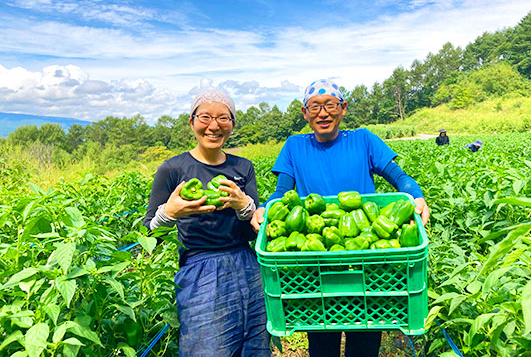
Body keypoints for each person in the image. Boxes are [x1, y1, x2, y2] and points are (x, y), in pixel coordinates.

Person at [251, 79, 430, 357]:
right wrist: (265, 208)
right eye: (315, 107)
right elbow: (282, 192)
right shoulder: (294, 146)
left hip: (365, 256)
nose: (323, 113)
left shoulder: (363, 139)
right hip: (316, 258)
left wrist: (416, 196)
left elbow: (398, 177)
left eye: (330, 105)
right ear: (304, 113)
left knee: (366, 337)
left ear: (343, 108)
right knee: (321, 338)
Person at [143, 89, 270, 357]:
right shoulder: (172, 169)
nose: (214, 126)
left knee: (254, 348)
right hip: (200, 269)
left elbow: (253, 229)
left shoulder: (243, 167)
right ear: (192, 122)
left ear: (232, 125)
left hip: (249, 265)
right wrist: (170, 213)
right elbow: (149, 234)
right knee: (208, 349)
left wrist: (244, 205)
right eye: (205, 117)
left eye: (223, 118)